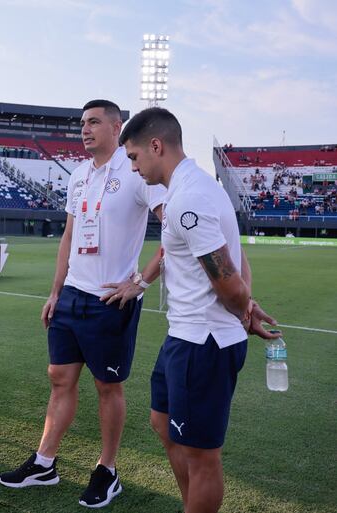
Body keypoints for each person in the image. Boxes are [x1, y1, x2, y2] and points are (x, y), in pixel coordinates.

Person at [0, 100, 166, 510]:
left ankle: (107, 470)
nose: (85, 130)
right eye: (81, 124)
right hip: (72, 294)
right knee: (59, 377)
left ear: (116, 127)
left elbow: (176, 229)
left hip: (111, 298)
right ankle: (44, 462)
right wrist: (55, 291)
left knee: (108, 386)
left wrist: (140, 281)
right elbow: (69, 237)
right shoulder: (77, 175)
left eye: (93, 122)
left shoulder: (137, 171)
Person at [119, 107, 279, 513]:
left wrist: (243, 310)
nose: (134, 168)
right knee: (162, 422)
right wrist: (248, 304)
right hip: (184, 336)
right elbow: (236, 260)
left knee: (202, 456)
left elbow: (226, 279)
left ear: (157, 146)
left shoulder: (188, 198)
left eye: (135, 157)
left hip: (203, 344)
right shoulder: (194, 188)